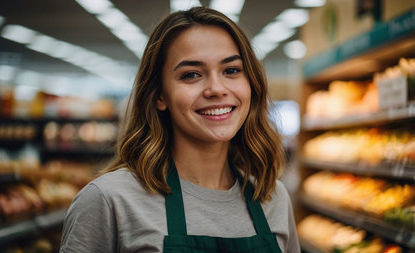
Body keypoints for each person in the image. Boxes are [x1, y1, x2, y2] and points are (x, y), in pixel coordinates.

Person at [60, 6, 300, 253]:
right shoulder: (109, 201)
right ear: (159, 95)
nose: (216, 89)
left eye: (231, 70)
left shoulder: (273, 197)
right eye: (191, 75)